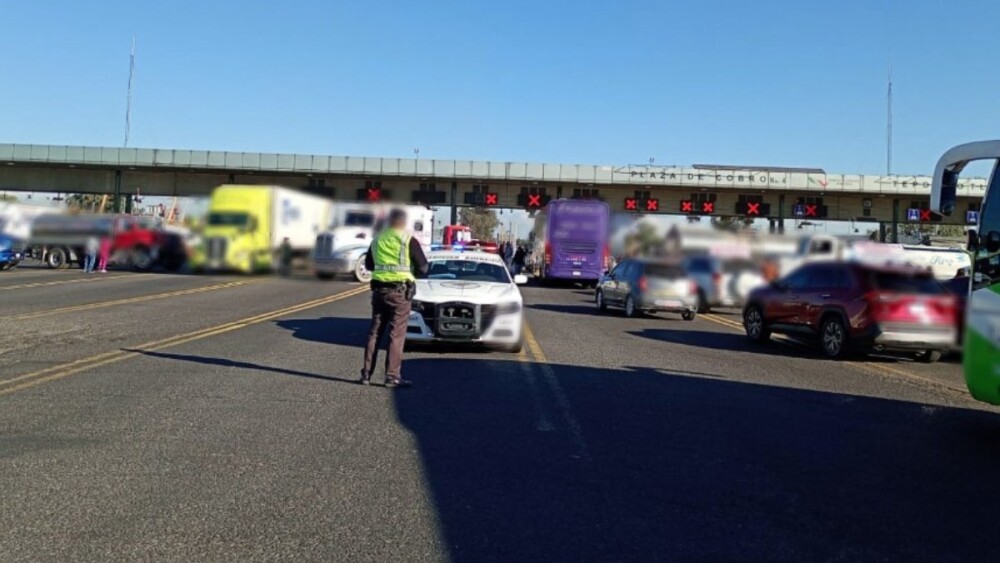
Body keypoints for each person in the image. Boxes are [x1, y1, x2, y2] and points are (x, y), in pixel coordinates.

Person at [361, 208, 429, 388]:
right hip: (400, 293)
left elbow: (368, 265)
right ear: (403, 222)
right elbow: (423, 268)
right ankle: (392, 377)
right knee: (396, 334)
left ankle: (366, 374)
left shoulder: (377, 240)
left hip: (379, 292)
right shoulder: (408, 240)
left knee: (375, 332)